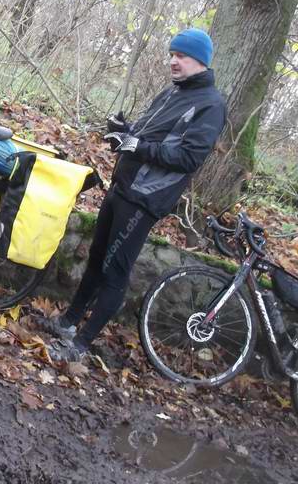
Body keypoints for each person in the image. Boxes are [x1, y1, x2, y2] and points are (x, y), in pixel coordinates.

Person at [42, 28, 227, 362]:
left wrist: (138, 146)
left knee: (115, 272)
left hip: (145, 199)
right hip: (122, 186)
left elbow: (189, 158)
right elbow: (147, 137)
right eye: (171, 54)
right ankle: (67, 323)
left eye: (181, 56)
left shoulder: (210, 105)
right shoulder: (172, 93)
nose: (173, 61)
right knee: (97, 259)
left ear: (200, 60)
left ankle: (80, 345)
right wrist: (124, 133)